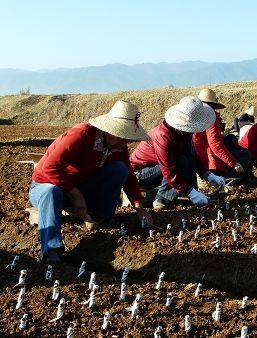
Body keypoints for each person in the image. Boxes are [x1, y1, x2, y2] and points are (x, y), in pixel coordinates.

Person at [29, 100, 153, 263]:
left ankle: (98, 215)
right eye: (123, 137)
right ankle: (52, 249)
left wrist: (138, 205)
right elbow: (50, 167)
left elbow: (128, 174)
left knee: (119, 169)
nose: (126, 143)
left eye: (128, 139)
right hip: (47, 187)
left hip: (81, 186)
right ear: (110, 130)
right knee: (51, 191)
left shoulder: (118, 145)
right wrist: (76, 196)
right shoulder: (81, 135)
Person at [130, 96, 226, 210]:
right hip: (139, 175)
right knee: (180, 161)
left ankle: (186, 193)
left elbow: (192, 156)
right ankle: (162, 199)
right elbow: (168, 169)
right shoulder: (163, 135)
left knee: (185, 158)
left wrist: (208, 175)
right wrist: (192, 193)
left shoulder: (183, 133)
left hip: (158, 170)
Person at [193, 89, 252, 181]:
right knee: (246, 155)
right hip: (209, 161)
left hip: (196, 160)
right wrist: (234, 163)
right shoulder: (211, 117)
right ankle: (226, 178)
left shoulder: (195, 116)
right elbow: (215, 144)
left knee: (230, 139)